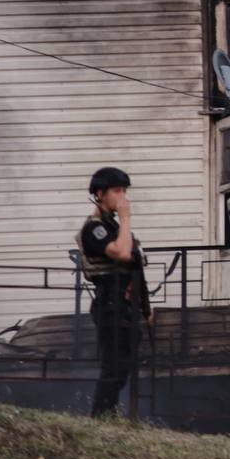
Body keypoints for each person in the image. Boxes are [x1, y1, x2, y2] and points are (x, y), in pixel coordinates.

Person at [76, 167, 152, 418]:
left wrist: (145, 308)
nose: (123, 197)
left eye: (124, 191)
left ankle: (108, 412)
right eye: (117, 191)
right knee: (113, 365)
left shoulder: (113, 226)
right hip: (110, 303)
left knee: (125, 364)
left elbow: (134, 267)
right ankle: (100, 416)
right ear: (100, 193)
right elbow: (121, 253)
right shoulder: (94, 228)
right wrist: (126, 218)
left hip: (125, 304)